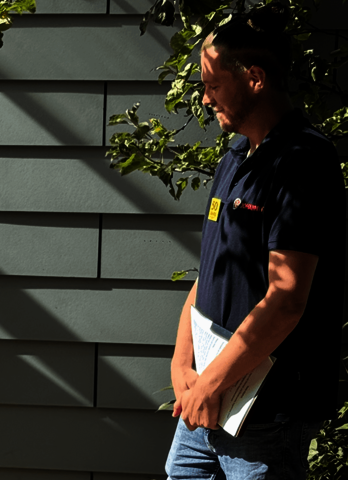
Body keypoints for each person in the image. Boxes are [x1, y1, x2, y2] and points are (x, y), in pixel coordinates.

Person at [164, 10, 345, 480]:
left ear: (255, 79)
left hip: (266, 414)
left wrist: (211, 384)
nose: (204, 99)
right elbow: (211, 268)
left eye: (213, 85)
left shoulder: (303, 162)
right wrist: (183, 364)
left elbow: (286, 299)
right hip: (206, 401)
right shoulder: (235, 155)